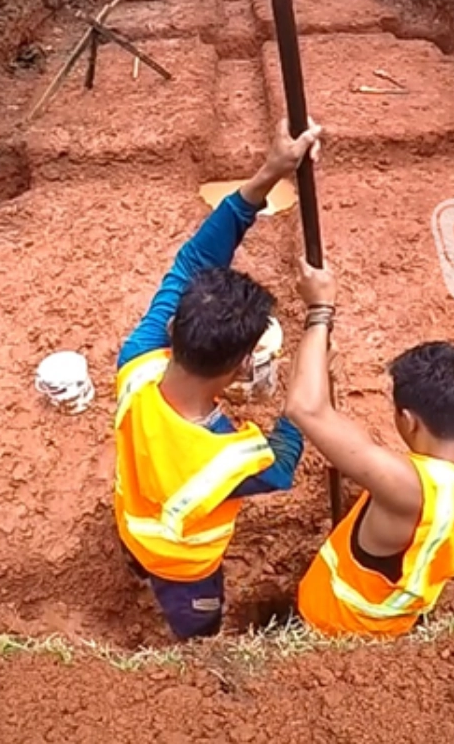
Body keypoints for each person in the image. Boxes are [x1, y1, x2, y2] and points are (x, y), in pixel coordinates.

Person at [113, 123, 322, 640]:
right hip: (186, 565)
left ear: (174, 326)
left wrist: (269, 172)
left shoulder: (138, 359)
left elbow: (192, 262)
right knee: (199, 618)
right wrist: (315, 339)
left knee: (139, 551)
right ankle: (198, 641)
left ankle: (136, 566)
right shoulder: (229, 458)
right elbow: (284, 460)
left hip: (134, 518)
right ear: (240, 367)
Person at [284, 261, 454, 639]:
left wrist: (319, 310)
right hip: (394, 623)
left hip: (333, 630)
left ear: (408, 420)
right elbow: (351, 440)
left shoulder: (407, 489)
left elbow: (305, 409)